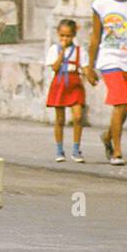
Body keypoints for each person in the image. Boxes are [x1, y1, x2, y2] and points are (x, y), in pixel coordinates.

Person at [85, 0, 127, 166]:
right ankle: (117, 152)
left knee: (126, 107)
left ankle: (107, 136)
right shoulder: (101, 4)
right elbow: (95, 37)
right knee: (119, 102)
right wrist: (89, 66)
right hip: (109, 59)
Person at [47, 18, 86, 163]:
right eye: (62, 36)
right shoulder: (54, 49)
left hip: (74, 83)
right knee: (60, 119)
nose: (65, 39)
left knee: (77, 117)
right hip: (59, 83)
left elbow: (85, 66)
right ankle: (59, 149)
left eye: (68, 36)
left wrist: (89, 74)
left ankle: (76, 149)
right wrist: (62, 52)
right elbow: (55, 67)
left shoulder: (79, 51)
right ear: (58, 34)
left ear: (73, 35)